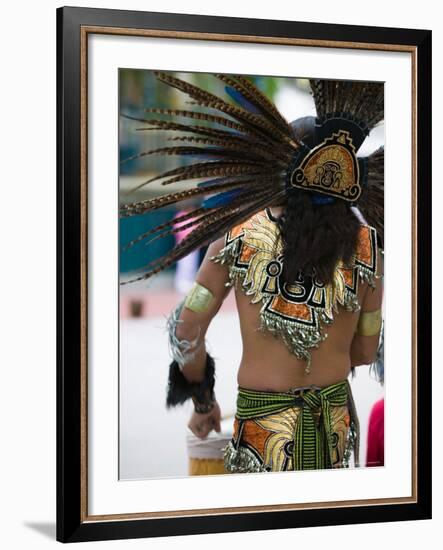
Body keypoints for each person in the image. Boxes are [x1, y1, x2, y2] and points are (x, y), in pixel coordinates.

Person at [120, 74, 385, 472]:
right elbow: (366, 351)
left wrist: (204, 401)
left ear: (273, 166)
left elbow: (185, 330)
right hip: (333, 431)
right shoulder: (367, 246)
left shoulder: (237, 236)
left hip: (262, 439)